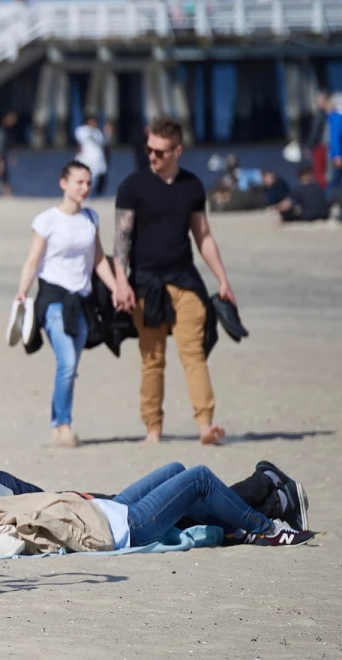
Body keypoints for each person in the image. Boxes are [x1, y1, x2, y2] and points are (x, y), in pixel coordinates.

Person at [113, 117, 234, 446]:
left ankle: (206, 425)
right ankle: (153, 429)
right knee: (152, 360)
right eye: (149, 149)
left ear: (177, 151)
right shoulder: (132, 187)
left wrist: (222, 279)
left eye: (160, 152)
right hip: (146, 285)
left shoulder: (192, 187)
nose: (152, 156)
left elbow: (204, 236)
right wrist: (121, 283)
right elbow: (121, 242)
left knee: (193, 354)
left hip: (185, 282)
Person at [0, 460, 311, 548]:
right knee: (198, 476)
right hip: (118, 525)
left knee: (177, 470)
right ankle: (268, 528)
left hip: (103, 510)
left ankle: (253, 512)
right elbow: (36, 526)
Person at [15, 162, 120, 446]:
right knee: (68, 362)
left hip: (82, 302)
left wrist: (117, 288)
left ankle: (59, 423)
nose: (85, 188)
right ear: (64, 183)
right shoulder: (47, 220)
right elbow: (33, 259)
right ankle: (63, 424)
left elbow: (98, 258)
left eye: (88, 183)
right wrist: (22, 291)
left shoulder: (91, 218)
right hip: (53, 301)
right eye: (79, 182)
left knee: (70, 368)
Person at [74, 115, 110, 195]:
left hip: (97, 160)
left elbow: (103, 142)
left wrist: (107, 133)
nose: (94, 123)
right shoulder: (82, 130)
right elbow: (82, 138)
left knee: (95, 180)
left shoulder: (97, 132)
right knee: (85, 178)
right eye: (92, 121)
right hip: (86, 159)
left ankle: (92, 195)